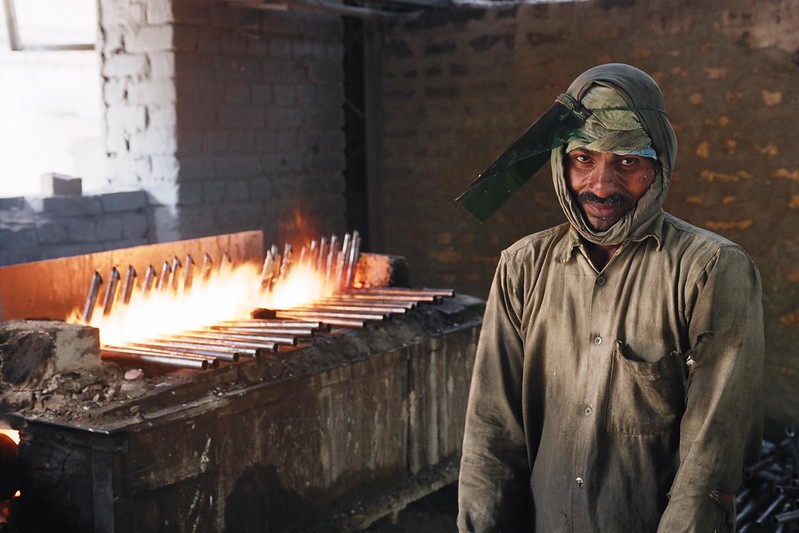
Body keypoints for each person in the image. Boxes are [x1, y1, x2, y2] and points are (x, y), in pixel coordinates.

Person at [455, 63, 764, 532]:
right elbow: (491, 436)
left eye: (627, 161)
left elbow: (711, 453)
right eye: (584, 158)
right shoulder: (522, 267)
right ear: (561, 162)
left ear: (658, 167)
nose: (601, 186)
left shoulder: (710, 269)